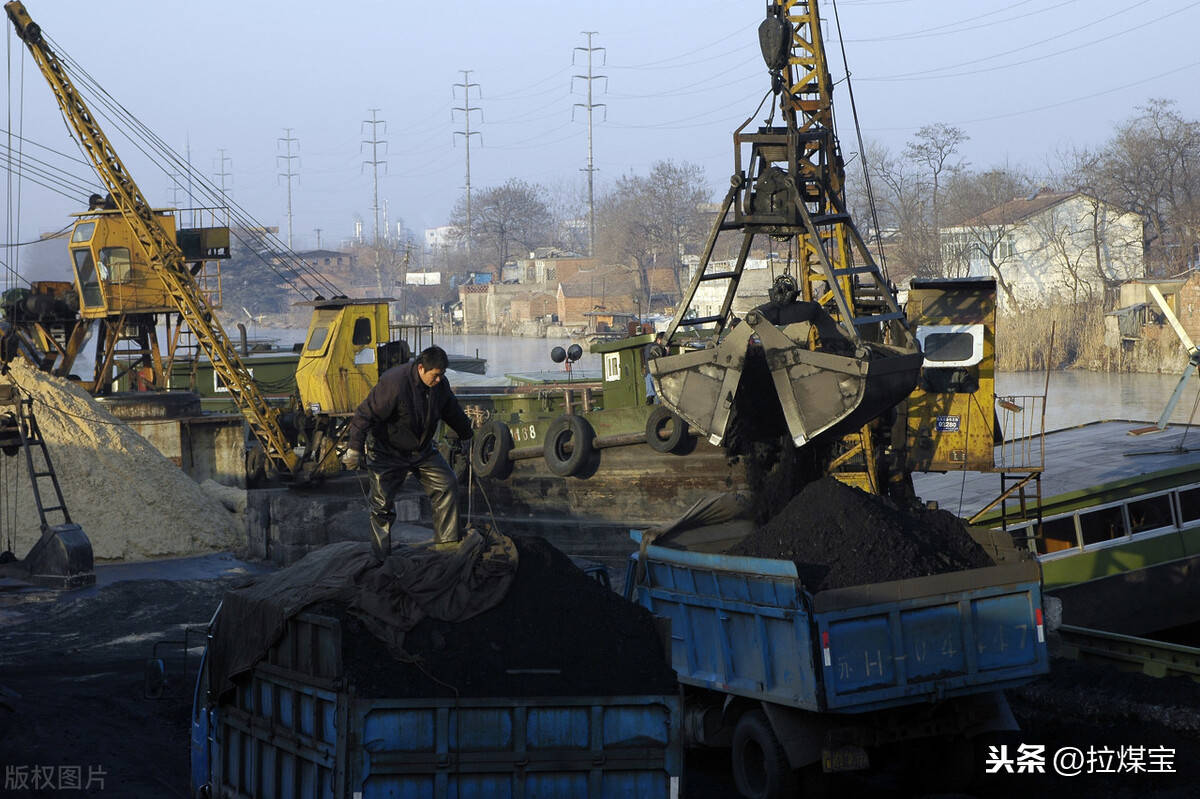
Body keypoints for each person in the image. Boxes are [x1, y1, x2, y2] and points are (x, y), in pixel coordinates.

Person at [342, 345, 473, 559]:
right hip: (387, 450)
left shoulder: (440, 386)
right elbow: (365, 414)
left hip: (421, 449)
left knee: (446, 484)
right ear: (421, 368)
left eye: (442, 375)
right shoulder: (394, 382)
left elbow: (452, 411)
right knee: (381, 506)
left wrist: (467, 434)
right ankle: (381, 557)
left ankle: (447, 546)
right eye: (436, 375)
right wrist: (355, 448)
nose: (439, 380)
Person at [643, 331, 667, 404]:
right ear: (659, 340)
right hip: (655, 372)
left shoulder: (648, 347)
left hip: (652, 372)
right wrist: (666, 353)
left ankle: (650, 397)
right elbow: (658, 359)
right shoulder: (654, 347)